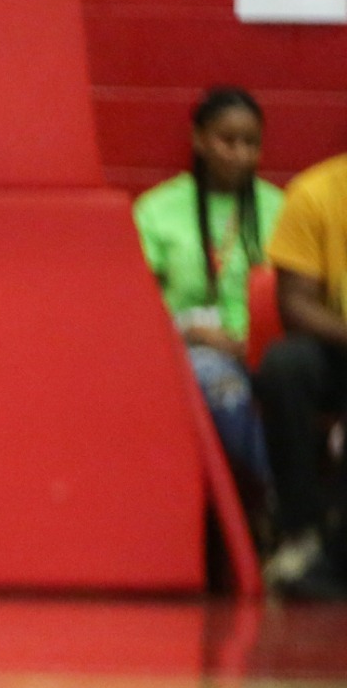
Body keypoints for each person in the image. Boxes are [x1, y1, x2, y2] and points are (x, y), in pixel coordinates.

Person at [133, 88, 283, 500]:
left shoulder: (280, 207)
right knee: (224, 388)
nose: (241, 154)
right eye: (227, 141)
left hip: (267, 347)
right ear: (199, 139)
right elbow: (134, 305)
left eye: (251, 143)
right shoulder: (159, 209)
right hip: (191, 345)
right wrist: (194, 333)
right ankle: (288, 499)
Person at [254, 146, 347, 595]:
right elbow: (294, 306)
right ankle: (302, 532)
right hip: (338, 345)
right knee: (284, 366)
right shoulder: (315, 192)